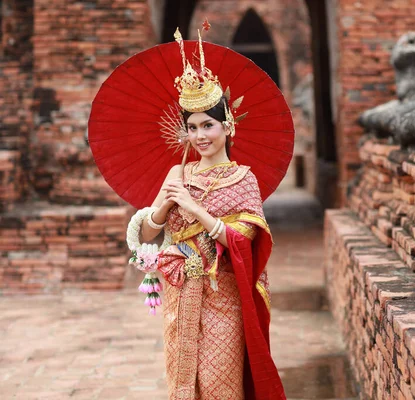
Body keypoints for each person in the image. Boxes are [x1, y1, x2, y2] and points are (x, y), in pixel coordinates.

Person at [128, 28, 287, 400]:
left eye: (208, 125)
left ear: (227, 126)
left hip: (223, 297)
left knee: (219, 383)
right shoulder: (177, 174)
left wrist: (193, 207)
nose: (200, 136)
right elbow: (149, 235)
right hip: (181, 291)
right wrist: (165, 206)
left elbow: (243, 240)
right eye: (192, 127)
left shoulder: (244, 178)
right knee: (182, 381)